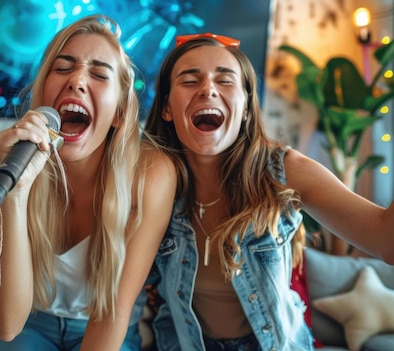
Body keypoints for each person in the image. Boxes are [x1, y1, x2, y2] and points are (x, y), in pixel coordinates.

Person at [143, 32, 394, 351]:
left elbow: (386, 241)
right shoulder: (150, 180)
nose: (208, 89)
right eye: (190, 81)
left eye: (225, 80)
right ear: (166, 108)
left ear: (246, 108)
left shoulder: (283, 169)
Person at [0, 14, 177, 351]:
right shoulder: (11, 160)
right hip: (30, 322)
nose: (76, 81)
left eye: (99, 74)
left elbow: (114, 312)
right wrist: (15, 196)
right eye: (63, 68)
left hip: (106, 324)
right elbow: (5, 325)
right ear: (43, 95)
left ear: (118, 112)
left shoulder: (151, 173)